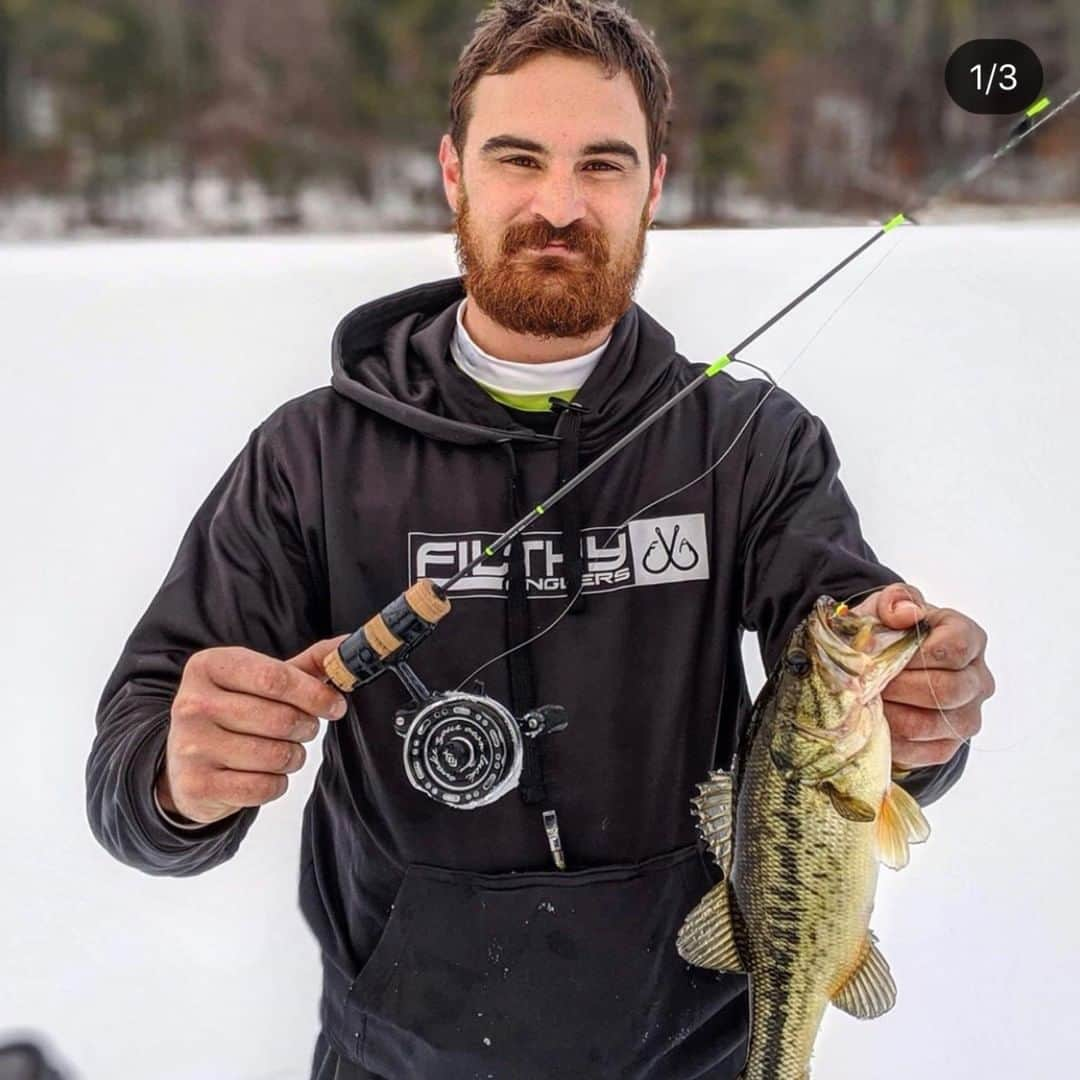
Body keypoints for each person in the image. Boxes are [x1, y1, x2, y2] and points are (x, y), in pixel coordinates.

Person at [85, 2, 995, 1078]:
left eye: (602, 166)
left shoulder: (753, 444)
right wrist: (177, 779)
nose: (559, 205)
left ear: (654, 185)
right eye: (518, 157)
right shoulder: (311, 459)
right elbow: (133, 759)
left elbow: (850, 665)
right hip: (401, 1060)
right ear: (453, 173)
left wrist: (924, 707)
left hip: (698, 1054)